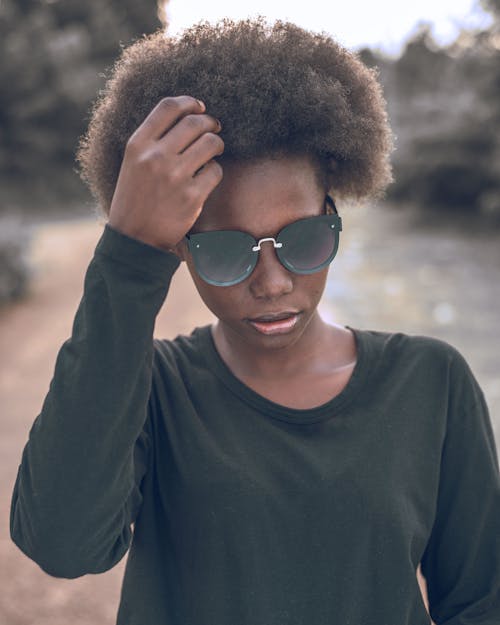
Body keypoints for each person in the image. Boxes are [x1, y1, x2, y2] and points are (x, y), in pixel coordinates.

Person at [9, 17, 500, 625]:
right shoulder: (152, 393)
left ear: (334, 211)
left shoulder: (432, 382)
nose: (271, 283)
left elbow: (479, 603)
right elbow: (61, 544)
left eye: (304, 239)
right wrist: (128, 254)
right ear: (180, 247)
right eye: (223, 251)